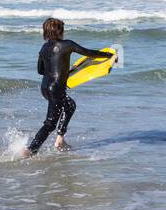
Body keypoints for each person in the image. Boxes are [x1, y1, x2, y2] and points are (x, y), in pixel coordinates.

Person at [23, 17, 112, 157]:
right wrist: (108, 55)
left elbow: (40, 70)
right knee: (50, 123)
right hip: (57, 88)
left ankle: (60, 140)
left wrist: (60, 70)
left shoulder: (44, 47)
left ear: (46, 32)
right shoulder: (67, 45)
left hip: (45, 87)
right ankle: (31, 150)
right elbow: (88, 53)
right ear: (60, 31)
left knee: (69, 105)